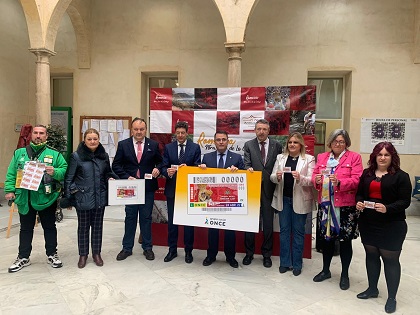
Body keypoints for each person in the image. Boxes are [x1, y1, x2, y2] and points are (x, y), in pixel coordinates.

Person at [355, 142, 411, 314]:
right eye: (380, 154)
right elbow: (360, 193)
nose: (383, 157)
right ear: (374, 156)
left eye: (387, 154)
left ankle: (392, 297)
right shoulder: (367, 173)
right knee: (371, 256)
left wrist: (388, 208)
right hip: (368, 222)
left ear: (392, 157)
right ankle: (372, 289)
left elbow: (405, 202)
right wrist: (358, 202)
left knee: (390, 261)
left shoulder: (401, 176)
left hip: (392, 225)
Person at [4, 125, 68, 272]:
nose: (38, 135)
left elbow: (64, 170)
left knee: (49, 227)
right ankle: (23, 257)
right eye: (36, 133)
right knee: (25, 228)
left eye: (41, 133)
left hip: (47, 197)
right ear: (31, 135)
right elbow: (11, 172)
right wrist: (9, 190)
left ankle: (52, 254)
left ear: (46, 136)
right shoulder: (19, 153)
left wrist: (55, 171)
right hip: (25, 197)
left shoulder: (55, 154)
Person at [312, 129, 363, 290]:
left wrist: (340, 182)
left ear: (346, 143)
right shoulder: (322, 157)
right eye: (335, 141)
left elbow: (357, 179)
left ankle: (345, 274)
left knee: (345, 241)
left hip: (345, 206)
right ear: (330, 143)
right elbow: (314, 176)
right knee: (326, 240)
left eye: (341, 141)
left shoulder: (354, 157)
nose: (338, 144)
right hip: (326, 205)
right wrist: (317, 180)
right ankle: (325, 270)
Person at [63, 128, 118, 268]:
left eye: (95, 139)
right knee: (83, 228)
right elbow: (69, 179)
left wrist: (111, 179)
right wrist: (69, 198)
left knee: (98, 227)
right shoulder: (76, 156)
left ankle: (96, 253)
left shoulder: (103, 156)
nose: (92, 141)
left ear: (99, 140)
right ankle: (83, 255)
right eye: (89, 139)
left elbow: (108, 173)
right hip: (83, 198)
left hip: (100, 197)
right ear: (84, 140)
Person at [112, 117, 162, 261]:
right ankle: (127, 248)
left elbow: (160, 162)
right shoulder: (123, 145)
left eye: (141, 129)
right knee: (130, 217)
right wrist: (127, 177)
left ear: (145, 130)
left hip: (147, 187)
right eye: (136, 129)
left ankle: (147, 248)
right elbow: (116, 166)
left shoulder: (153, 144)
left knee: (146, 218)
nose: (139, 132)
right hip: (130, 188)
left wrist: (158, 169)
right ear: (131, 130)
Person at [270, 132, 315, 276]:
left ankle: (297, 264)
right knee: (284, 233)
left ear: (300, 144)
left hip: (300, 201)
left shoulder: (308, 159)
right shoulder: (280, 158)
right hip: (284, 200)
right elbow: (272, 176)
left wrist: (300, 177)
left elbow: (312, 180)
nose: (292, 145)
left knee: (298, 233)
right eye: (290, 142)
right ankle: (285, 262)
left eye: (295, 142)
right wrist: (276, 177)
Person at [199, 130, 245, 268]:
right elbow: (201, 180)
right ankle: (211, 255)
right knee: (212, 229)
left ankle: (230, 257)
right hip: (213, 201)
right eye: (218, 140)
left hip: (230, 200)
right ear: (214, 142)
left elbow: (244, 179)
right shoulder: (207, 158)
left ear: (228, 141)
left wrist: (238, 171)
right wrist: (201, 170)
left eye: (223, 139)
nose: (221, 142)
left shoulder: (236, 158)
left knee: (230, 230)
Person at [243, 119, 282, 267]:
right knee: (250, 223)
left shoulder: (277, 145)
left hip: (270, 189)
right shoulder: (248, 145)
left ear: (268, 130)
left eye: (264, 129)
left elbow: (279, 165)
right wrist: (248, 169)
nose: (261, 132)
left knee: (268, 224)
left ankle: (267, 255)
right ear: (255, 130)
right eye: (259, 129)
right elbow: (246, 164)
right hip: (252, 190)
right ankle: (249, 253)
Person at [161, 121, 201, 263]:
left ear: (187, 133)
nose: (180, 135)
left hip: (189, 192)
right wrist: (168, 172)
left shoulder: (195, 147)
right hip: (172, 190)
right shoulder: (168, 147)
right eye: (177, 133)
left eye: (182, 133)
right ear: (175, 133)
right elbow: (163, 166)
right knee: (172, 222)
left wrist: (188, 169)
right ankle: (172, 250)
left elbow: (198, 167)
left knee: (188, 223)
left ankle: (188, 251)